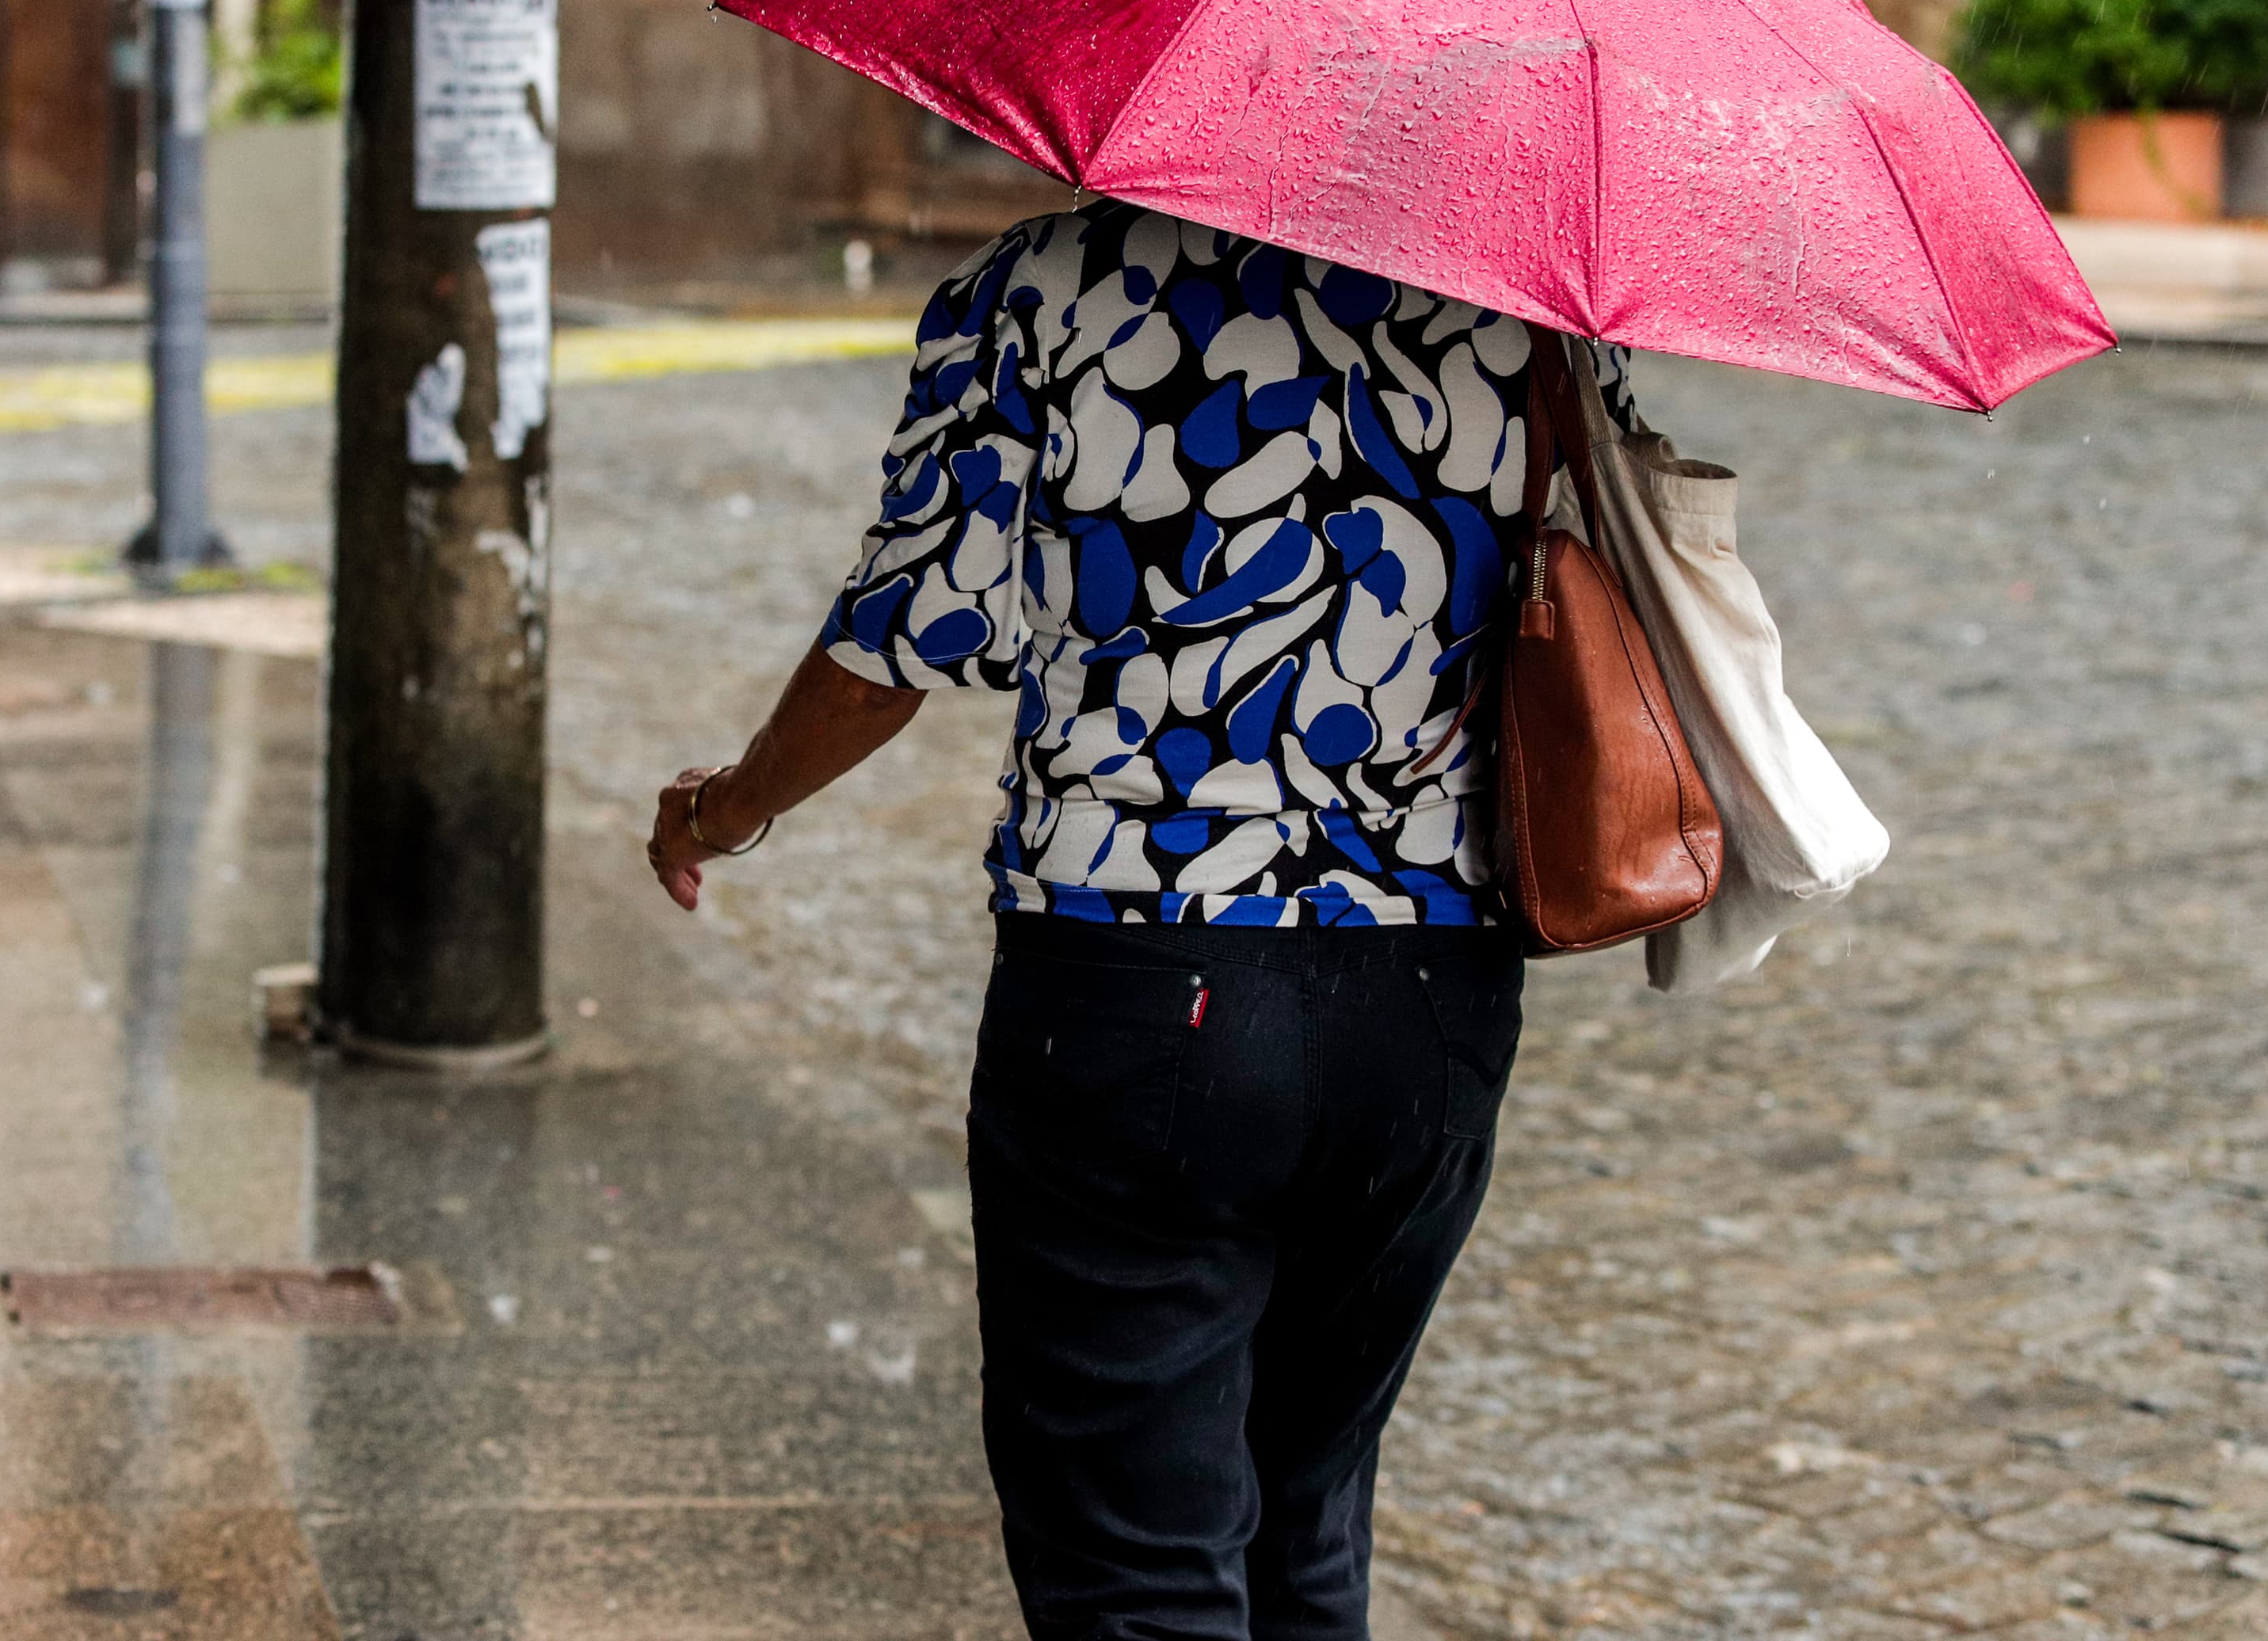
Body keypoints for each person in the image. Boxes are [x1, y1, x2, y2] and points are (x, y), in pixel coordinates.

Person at [646, 198, 1633, 1641]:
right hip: (1432, 998)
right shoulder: (1521, 299)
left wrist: (726, 809)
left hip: (1138, 982)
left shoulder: (1044, 289)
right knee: (1306, 1522)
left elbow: (907, 639)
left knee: (1137, 1569)